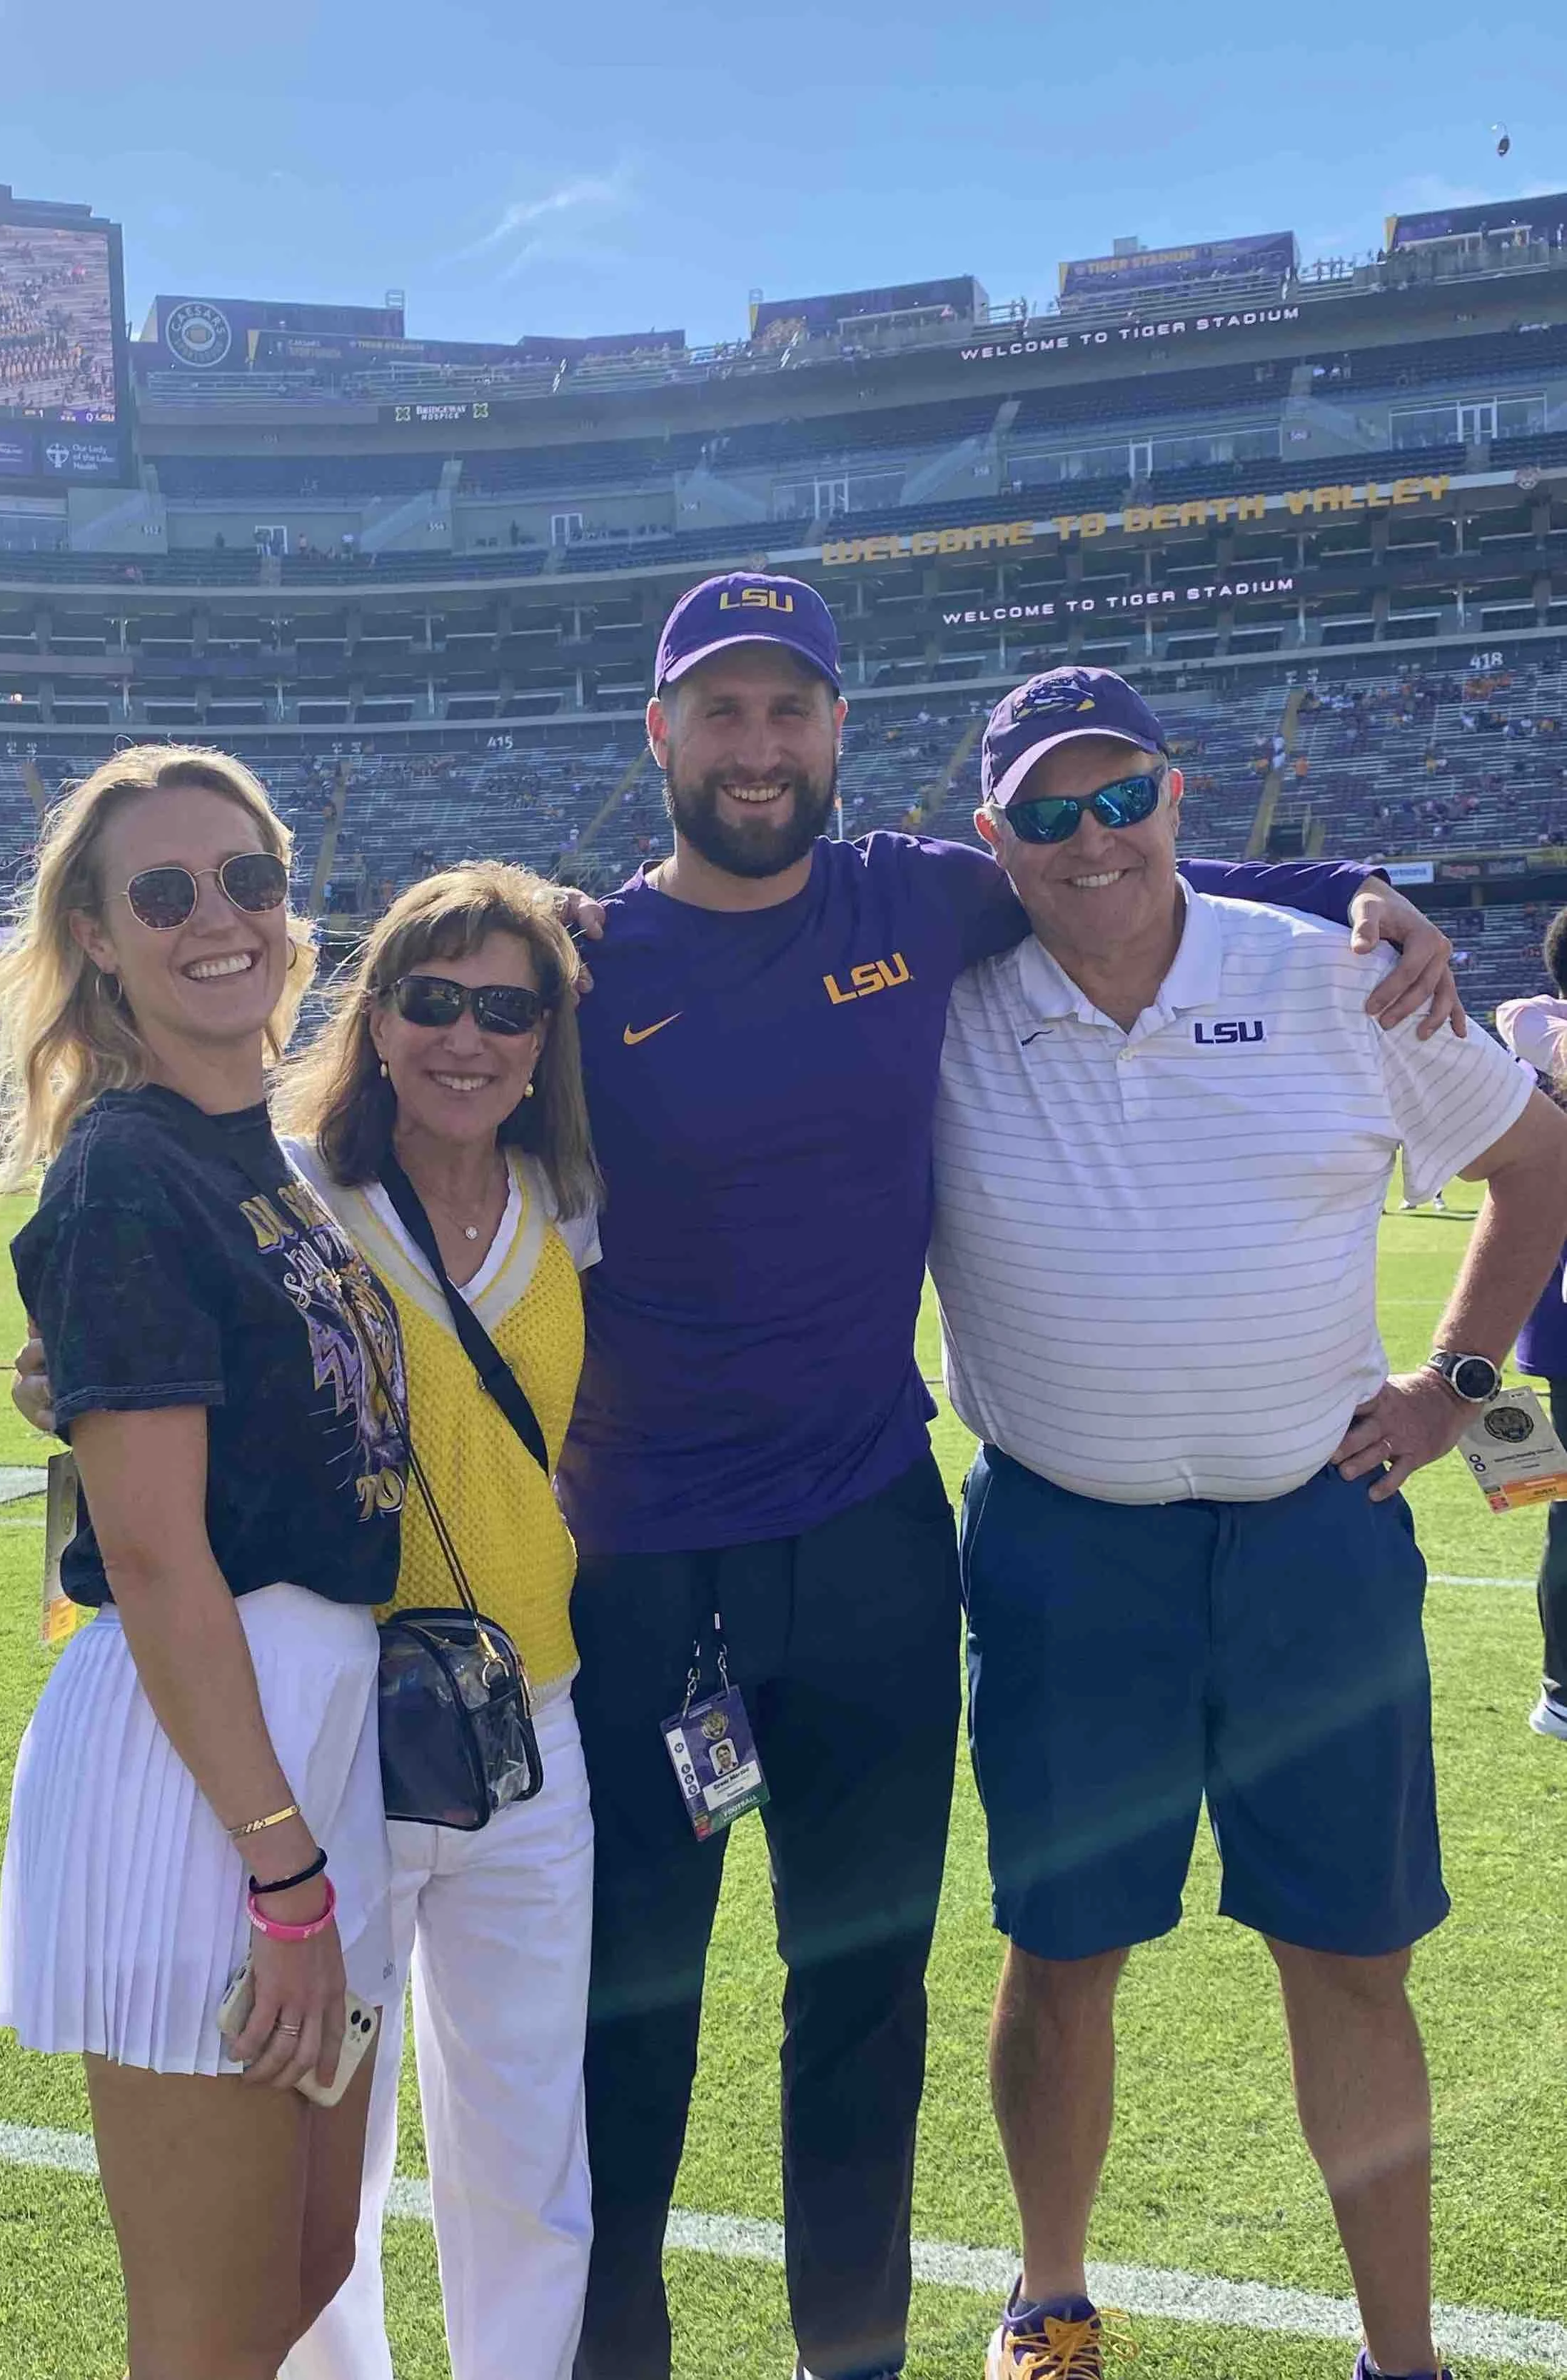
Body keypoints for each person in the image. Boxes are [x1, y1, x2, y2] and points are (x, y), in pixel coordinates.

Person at [557, 588, 1463, 2380]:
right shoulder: (574, 948)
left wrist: (1354, 881)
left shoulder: (915, 900)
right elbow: (387, 1100)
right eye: (718, 711)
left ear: (835, 734)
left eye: (788, 711)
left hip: (874, 1542)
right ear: (656, 734)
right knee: (625, 2005)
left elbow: (1137, 871)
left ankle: (859, 2359)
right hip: (647, 1561)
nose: (755, 748)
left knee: (863, 1998)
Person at [928, 667, 1567, 2380]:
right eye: (1048, 812)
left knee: (1350, 1954)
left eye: (1120, 794)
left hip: (1316, 1539)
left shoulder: (1336, 978)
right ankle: (1047, 2303)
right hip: (1068, 1546)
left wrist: (1459, 1384)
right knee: (1060, 1952)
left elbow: (1544, 1166)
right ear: (992, 838)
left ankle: (1400, 2356)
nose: (1094, 838)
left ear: (1176, 792)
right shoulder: (940, 994)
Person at [0, 744, 412, 2380]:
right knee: (213, 2334)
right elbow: (152, 1559)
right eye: (166, 891)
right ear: (97, 934)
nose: (217, 917)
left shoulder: (274, 1161)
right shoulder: (127, 1171)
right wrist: (283, 1871)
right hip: (205, 1778)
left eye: (249, 880)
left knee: (311, 2264)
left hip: (312, 1750)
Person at [274, 860, 603, 2380]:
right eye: (431, 1000)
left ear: (545, 1036)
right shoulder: (288, 1189)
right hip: (341, 1724)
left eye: (504, 1006)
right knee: (325, 2134)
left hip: (531, 1722)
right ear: (378, 1016)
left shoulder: (569, 1200)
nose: (466, 1037)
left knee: (528, 2138)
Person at [1494, 918, 1567, 1744]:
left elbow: (1518, 1012)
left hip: (1543, 1312)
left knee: (1559, 1509)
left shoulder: (1532, 1035)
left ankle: (1560, 1686)